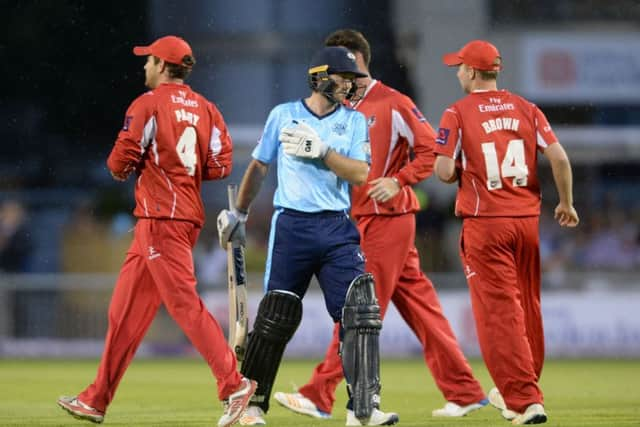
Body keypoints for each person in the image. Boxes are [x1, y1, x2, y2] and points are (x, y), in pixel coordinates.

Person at [273, 29, 488, 421]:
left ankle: (319, 393)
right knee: (422, 309)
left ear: (354, 61)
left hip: (385, 219)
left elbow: (431, 150)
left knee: (360, 308)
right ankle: (465, 391)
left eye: (337, 65)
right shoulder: (337, 109)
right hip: (357, 220)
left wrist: (399, 180)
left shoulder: (393, 103)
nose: (329, 75)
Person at [56, 35, 256, 427]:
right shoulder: (207, 108)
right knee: (124, 314)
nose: (143, 66)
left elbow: (121, 160)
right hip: (183, 216)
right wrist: (184, 171)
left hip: (160, 218)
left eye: (148, 60)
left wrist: (127, 168)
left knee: (183, 304)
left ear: (163, 66)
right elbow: (221, 165)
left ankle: (233, 385)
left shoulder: (147, 104)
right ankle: (96, 399)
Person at [217, 46, 398, 426]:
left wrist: (323, 152)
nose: (350, 85)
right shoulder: (283, 115)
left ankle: (363, 409)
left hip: (336, 226)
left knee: (360, 312)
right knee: (275, 317)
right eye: (343, 77)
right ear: (320, 76)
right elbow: (259, 167)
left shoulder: (353, 121)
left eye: (353, 79)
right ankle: (252, 406)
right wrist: (240, 213)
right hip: (292, 227)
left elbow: (361, 174)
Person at [433, 39, 579, 425]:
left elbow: (445, 171)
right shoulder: (526, 108)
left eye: (460, 66)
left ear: (473, 72)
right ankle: (525, 385)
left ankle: (524, 399)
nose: (457, 72)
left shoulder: (457, 112)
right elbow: (560, 157)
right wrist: (565, 203)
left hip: (486, 224)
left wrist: (460, 167)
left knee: (499, 314)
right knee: (528, 306)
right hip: (527, 222)